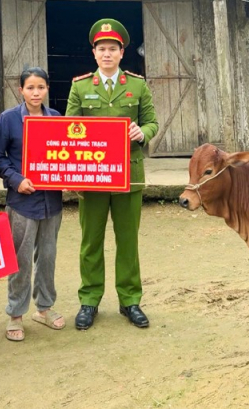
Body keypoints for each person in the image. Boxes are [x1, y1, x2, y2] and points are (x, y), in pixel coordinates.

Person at [66, 18, 159, 330]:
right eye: (101, 49)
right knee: (91, 241)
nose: (107, 54)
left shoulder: (137, 85)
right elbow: (68, 128)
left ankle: (130, 299)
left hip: (128, 176)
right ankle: (89, 300)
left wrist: (140, 132)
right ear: (94, 53)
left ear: (122, 53)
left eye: (113, 49)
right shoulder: (80, 86)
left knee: (128, 240)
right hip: (92, 177)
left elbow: (152, 122)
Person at [0, 67, 65, 342]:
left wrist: (71, 175)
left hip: (52, 200)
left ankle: (44, 308)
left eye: (41, 87)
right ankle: (15, 313)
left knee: (47, 256)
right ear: (20, 90)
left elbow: (65, 155)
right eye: (30, 88)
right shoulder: (9, 119)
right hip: (23, 201)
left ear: (47, 89)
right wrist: (16, 179)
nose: (36, 93)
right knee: (20, 259)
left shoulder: (56, 118)